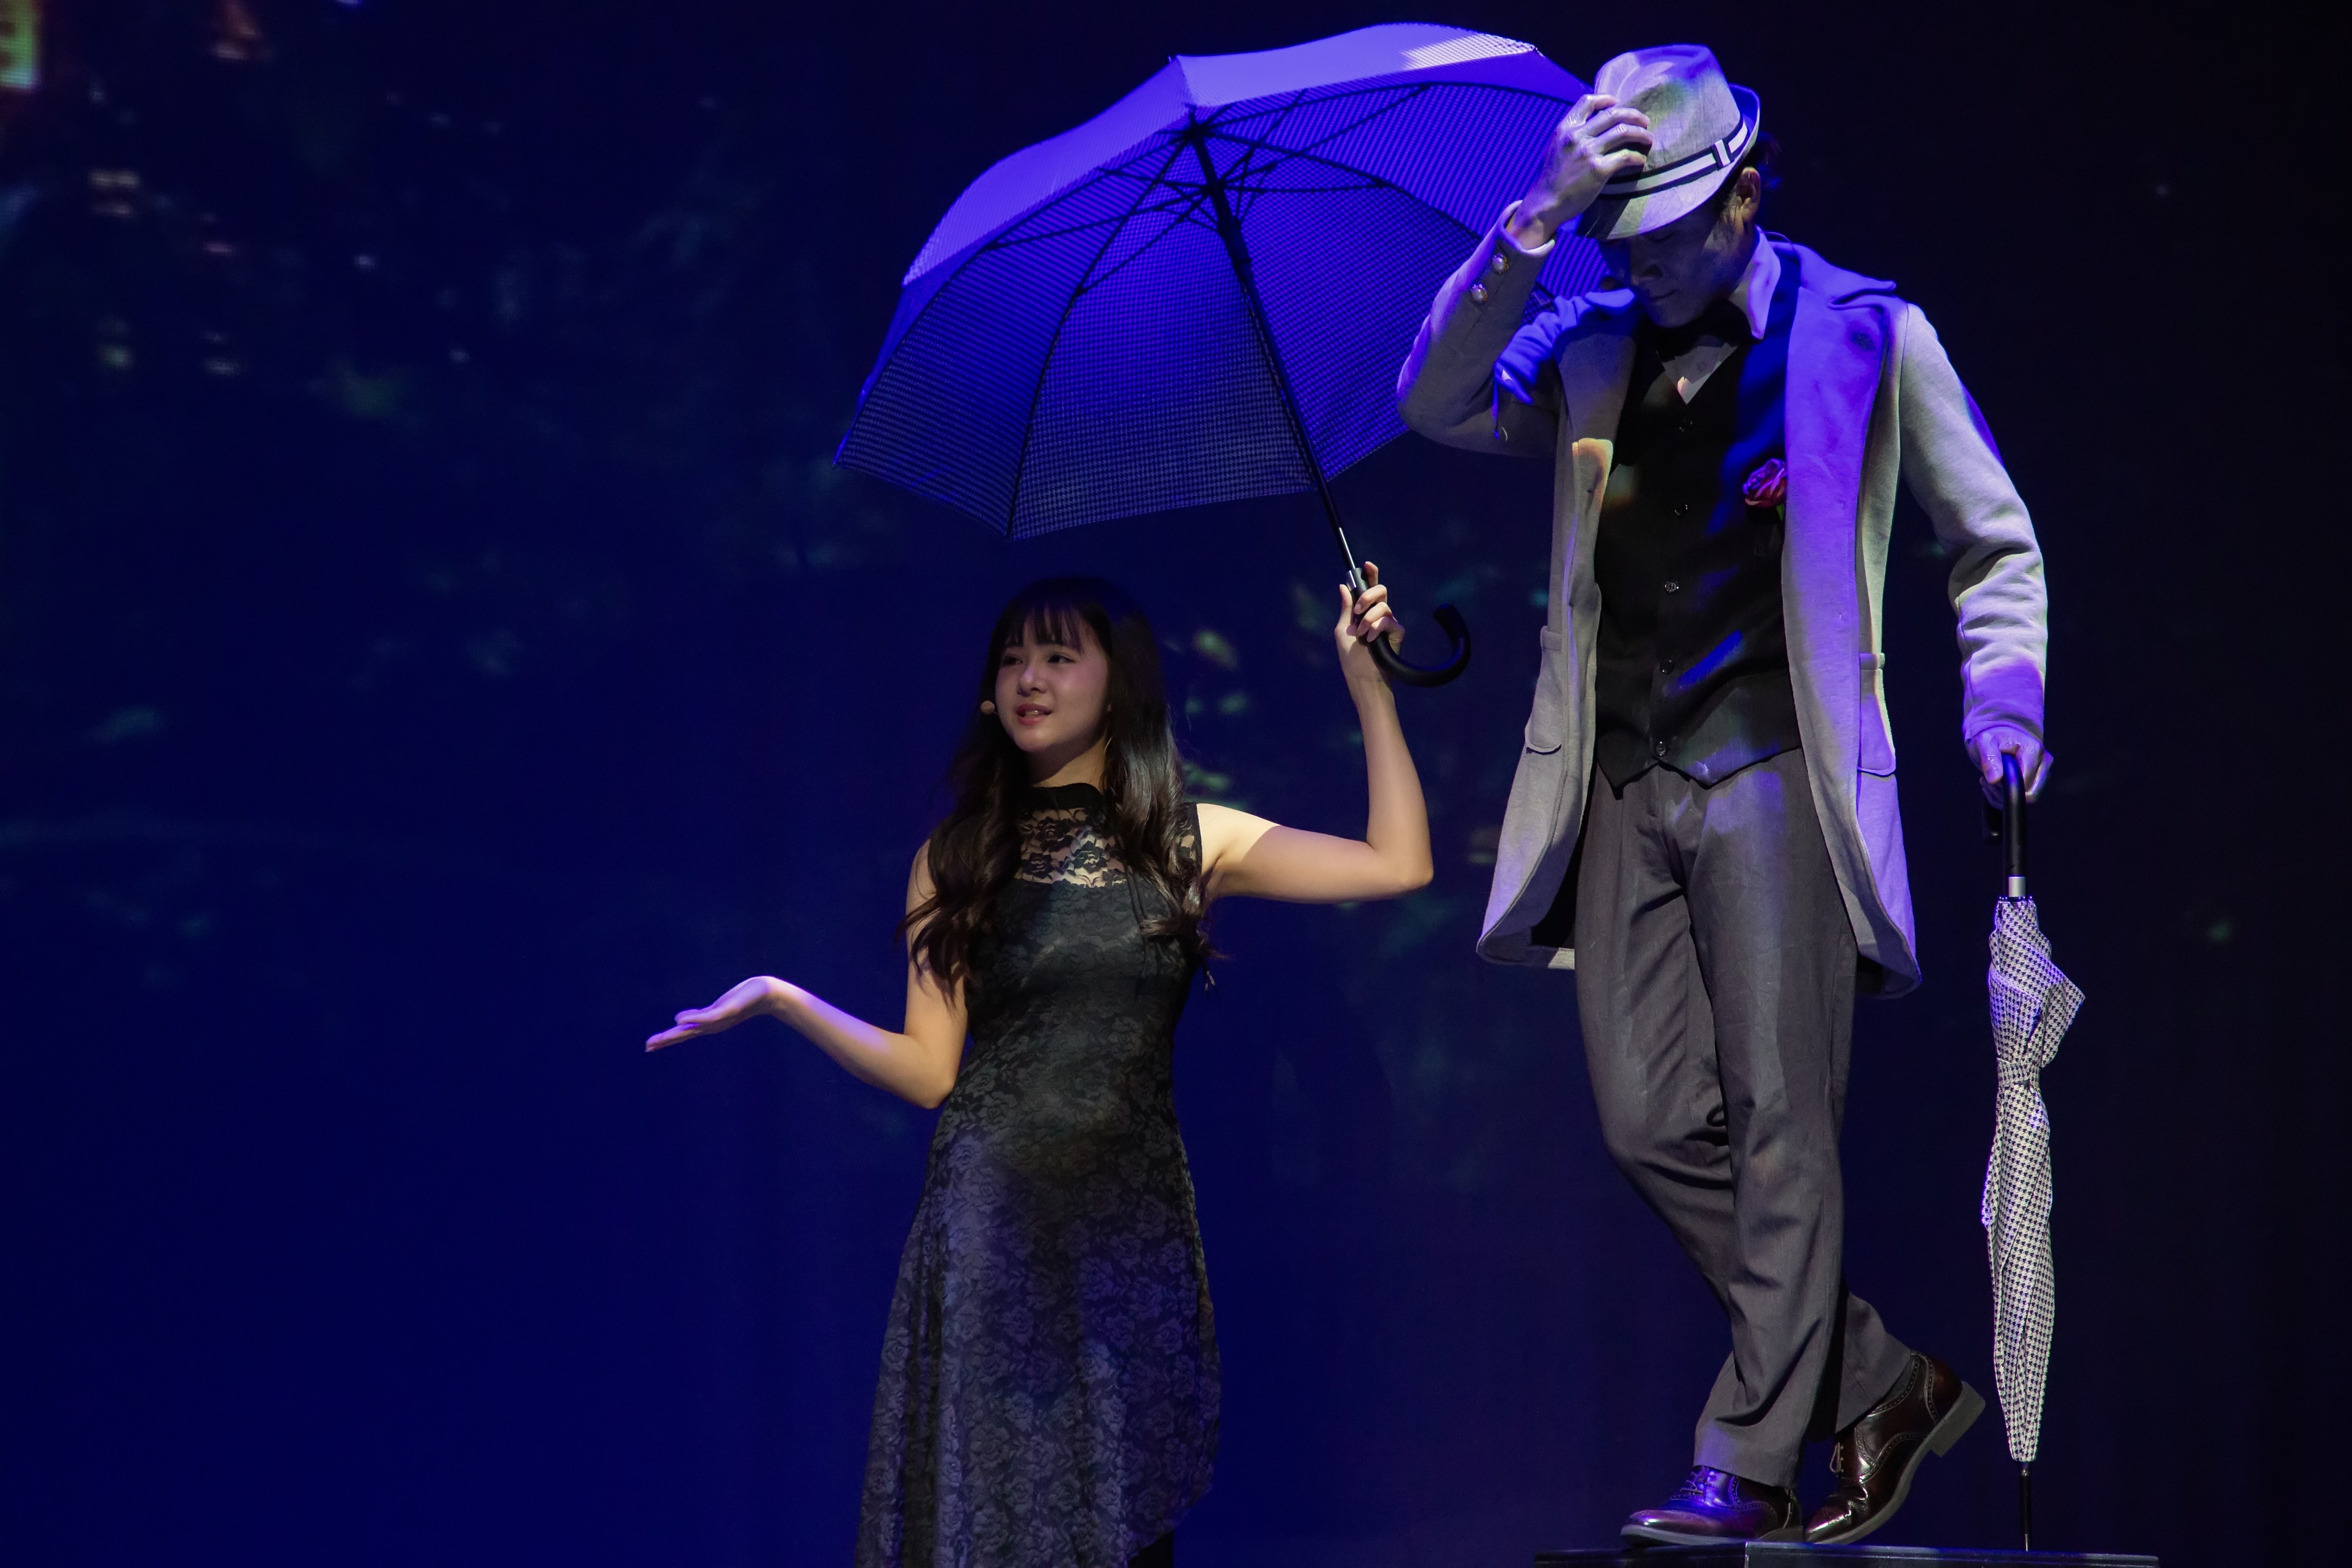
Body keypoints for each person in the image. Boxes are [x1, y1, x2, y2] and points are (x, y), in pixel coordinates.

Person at [1397, 44, 2050, 1548]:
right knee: (1644, 1119)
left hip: (1779, 766)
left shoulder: (1868, 333)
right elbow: (1432, 398)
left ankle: (1744, 1459)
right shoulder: (1585, 341)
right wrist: (1531, 219)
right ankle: (1876, 1380)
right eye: (1618, 235)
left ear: (1744, 196)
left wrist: (2002, 697)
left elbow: (1991, 539)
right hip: (1621, 773)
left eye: (1666, 234)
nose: (1641, 262)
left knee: (1778, 1119)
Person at [646, 570, 1433, 1568]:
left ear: (1118, 683)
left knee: (1119, 1509)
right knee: (992, 1514)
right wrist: (783, 999)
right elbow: (930, 1072)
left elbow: (1398, 863)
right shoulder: (955, 857)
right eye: (1013, 659)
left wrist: (1368, 686)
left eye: (1059, 657)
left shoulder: (1191, 839)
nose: (1029, 678)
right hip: (989, 1224)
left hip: (1127, 1229)